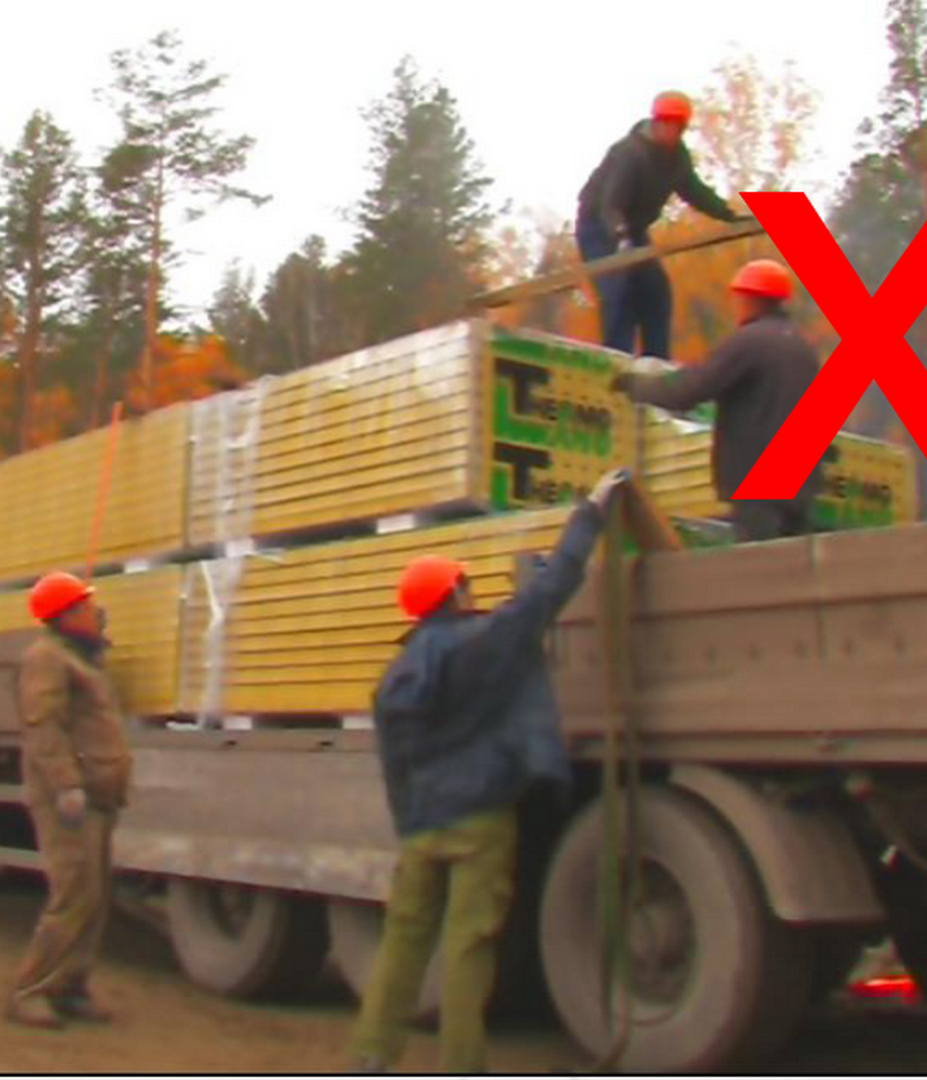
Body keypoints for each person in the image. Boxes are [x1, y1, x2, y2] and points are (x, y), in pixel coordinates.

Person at [348, 468, 629, 1074]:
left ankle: (373, 1056)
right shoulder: (483, 642)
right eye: (465, 586)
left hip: (422, 825)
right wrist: (591, 513)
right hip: (480, 820)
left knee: (403, 942)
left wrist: (410, 825)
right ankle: (462, 1063)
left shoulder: (394, 676)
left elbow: (393, 764)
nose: (472, 593)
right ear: (452, 596)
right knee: (468, 947)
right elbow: (547, 593)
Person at [611, 258, 823, 542]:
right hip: (801, 482)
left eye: (739, 297)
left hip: (759, 481)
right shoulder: (803, 351)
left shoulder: (750, 342)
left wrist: (636, 385)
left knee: (760, 571)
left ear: (750, 298)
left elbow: (688, 392)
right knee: (792, 571)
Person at [5, 571, 133, 1030]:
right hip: (70, 798)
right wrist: (65, 786)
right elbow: (44, 725)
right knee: (74, 893)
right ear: (63, 615)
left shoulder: (83, 658)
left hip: (98, 793)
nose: (93, 612)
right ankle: (32, 990)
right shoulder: (46, 659)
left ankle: (72, 987)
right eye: (84, 606)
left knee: (95, 896)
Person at [576, 91, 743, 359]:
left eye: (676, 127)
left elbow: (694, 191)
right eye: (665, 124)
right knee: (620, 292)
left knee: (655, 291)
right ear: (656, 123)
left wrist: (728, 214)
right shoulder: (630, 153)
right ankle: (617, 364)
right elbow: (611, 204)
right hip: (599, 226)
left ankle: (656, 365)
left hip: (634, 229)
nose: (670, 132)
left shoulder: (677, 159)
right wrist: (621, 238)